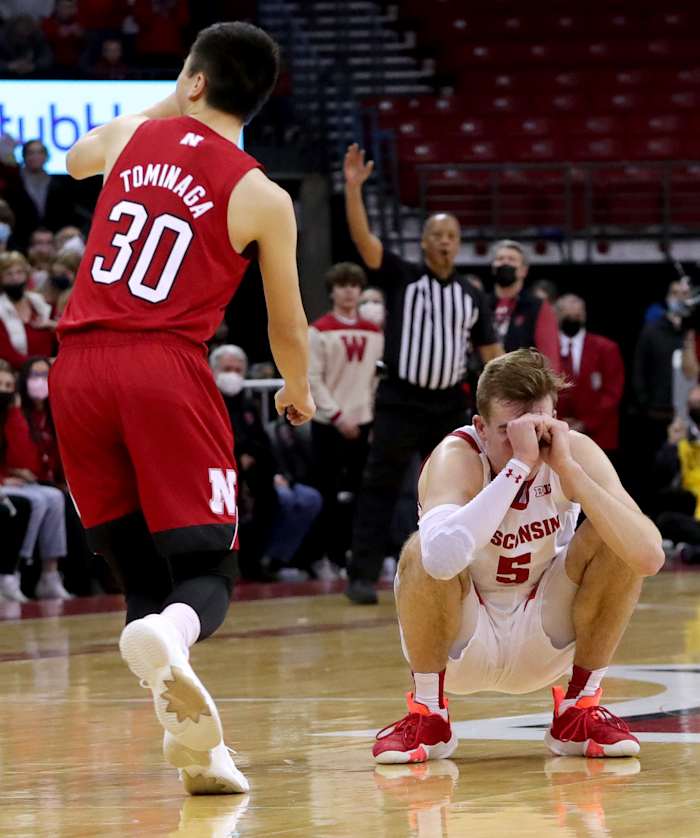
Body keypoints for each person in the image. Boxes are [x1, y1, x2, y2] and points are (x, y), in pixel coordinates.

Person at [49, 21, 314, 794]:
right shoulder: (262, 193)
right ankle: (175, 634)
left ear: (193, 81)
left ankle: (199, 751)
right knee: (207, 570)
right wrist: (297, 390)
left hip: (77, 369)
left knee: (138, 571)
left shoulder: (133, 139)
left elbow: (72, 158)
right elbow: (286, 324)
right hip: (164, 367)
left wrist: (177, 100)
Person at [372, 349, 663, 764]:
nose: (527, 441)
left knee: (615, 534)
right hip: (461, 638)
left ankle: (578, 710)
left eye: (538, 428)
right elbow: (439, 560)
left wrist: (570, 472)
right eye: (509, 431)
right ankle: (429, 714)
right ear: (481, 427)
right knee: (419, 549)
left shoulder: (572, 452)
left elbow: (648, 557)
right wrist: (519, 467)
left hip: (543, 628)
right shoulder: (456, 457)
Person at [343, 143, 503, 604]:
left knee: (459, 488)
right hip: (399, 397)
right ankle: (361, 575)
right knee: (379, 485)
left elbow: (493, 355)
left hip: (447, 404)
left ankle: (463, 573)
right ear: (425, 242)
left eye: (453, 235)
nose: (446, 241)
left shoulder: (472, 296)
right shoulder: (402, 275)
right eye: (438, 235)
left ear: (459, 242)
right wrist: (354, 189)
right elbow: (364, 243)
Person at [210, 344, 321, 581]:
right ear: (214, 370)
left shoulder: (248, 405)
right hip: (217, 475)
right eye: (227, 368)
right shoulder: (207, 402)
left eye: (238, 370)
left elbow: (263, 445)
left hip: (257, 476)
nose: (233, 375)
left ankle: (266, 561)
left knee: (280, 498)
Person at [309, 262, 384, 574]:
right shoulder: (319, 331)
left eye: (354, 285)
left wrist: (370, 417)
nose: (349, 291)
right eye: (342, 285)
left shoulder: (375, 333)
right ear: (332, 291)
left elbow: (374, 380)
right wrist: (337, 415)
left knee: (363, 495)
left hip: (363, 421)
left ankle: (358, 557)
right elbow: (313, 379)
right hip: (329, 424)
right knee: (326, 494)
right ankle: (327, 556)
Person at [0, 358, 71, 600]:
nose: (5, 392)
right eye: (1, 385)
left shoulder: (17, 413)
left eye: (9, 386)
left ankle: (50, 574)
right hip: (5, 482)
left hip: (18, 481)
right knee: (38, 501)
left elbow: (25, 460)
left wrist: (14, 413)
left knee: (54, 498)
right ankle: (14, 571)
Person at [555, 294, 625, 458]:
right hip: (555, 435)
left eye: (577, 315)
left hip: (599, 436)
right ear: (557, 316)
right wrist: (560, 423)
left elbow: (612, 393)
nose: (573, 319)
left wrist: (585, 423)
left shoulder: (606, 348)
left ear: (584, 316)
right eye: (568, 316)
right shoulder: (546, 348)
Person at [489, 240, 561, 372]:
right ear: (493, 267)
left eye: (511, 259)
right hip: (481, 385)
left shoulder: (537, 307)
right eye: (500, 259)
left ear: (524, 270)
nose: (505, 262)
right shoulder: (481, 304)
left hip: (521, 386)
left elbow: (549, 357)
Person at [0, 251, 56, 369]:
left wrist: (52, 324)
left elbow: (61, 339)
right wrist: (45, 364)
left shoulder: (42, 304)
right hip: (19, 376)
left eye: (19, 272)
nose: (15, 278)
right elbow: (9, 355)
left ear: (26, 274)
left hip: (52, 372)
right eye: (8, 274)